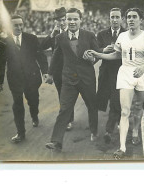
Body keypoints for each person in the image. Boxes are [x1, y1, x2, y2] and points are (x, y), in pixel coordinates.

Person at [89, 8, 144, 159]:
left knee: (138, 107)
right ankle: (122, 147)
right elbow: (116, 55)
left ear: (141, 20)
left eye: (134, 17)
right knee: (125, 110)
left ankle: (134, 132)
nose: (131, 19)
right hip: (126, 73)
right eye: (128, 17)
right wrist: (98, 54)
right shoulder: (122, 36)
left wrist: (143, 67)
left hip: (143, 73)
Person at [45, 8, 99, 151]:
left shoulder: (89, 35)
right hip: (68, 79)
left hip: (87, 78)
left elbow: (97, 53)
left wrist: (92, 58)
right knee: (64, 109)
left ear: (81, 20)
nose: (72, 22)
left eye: (75, 19)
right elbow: (56, 57)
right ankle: (56, 141)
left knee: (92, 105)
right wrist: (49, 74)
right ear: (66, 20)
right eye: (69, 19)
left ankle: (94, 130)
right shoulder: (60, 37)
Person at [0, 15, 48, 143]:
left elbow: (41, 56)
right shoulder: (3, 42)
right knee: (17, 105)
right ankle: (20, 133)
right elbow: (1, 63)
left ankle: (34, 115)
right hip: (15, 79)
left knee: (33, 101)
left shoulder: (32, 38)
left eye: (21, 24)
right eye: (15, 25)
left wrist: (45, 72)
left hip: (32, 78)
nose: (19, 27)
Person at [41, 7, 74, 131]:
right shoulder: (54, 34)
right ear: (56, 22)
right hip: (58, 71)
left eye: (63, 19)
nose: (62, 22)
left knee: (69, 95)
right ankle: (68, 119)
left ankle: (69, 119)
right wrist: (52, 34)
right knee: (62, 95)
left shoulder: (72, 31)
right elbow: (42, 46)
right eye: (59, 20)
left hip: (71, 69)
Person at [96, 8, 126, 144]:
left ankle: (109, 130)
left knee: (115, 100)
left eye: (117, 17)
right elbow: (96, 49)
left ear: (121, 19)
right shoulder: (102, 34)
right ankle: (117, 118)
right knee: (103, 99)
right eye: (112, 17)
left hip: (120, 72)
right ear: (109, 19)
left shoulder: (127, 33)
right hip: (105, 73)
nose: (114, 19)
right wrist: (103, 50)